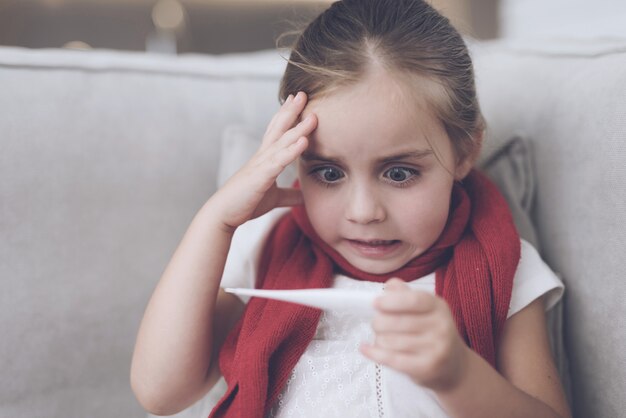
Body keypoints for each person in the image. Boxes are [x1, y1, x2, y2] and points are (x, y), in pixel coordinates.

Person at [131, 1, 572, 417]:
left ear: (463, 153)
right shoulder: (261, 248)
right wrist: (216, 220)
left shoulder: (504, 265)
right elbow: (162, 392)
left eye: (399, 173)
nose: (363, 212)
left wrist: (458, 376)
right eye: (327, 172)